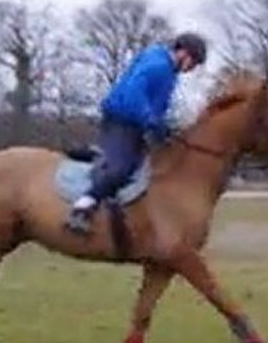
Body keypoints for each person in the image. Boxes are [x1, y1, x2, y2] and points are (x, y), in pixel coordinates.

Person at [64, 32, 207, 235]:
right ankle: (83, 207)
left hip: (136, 124)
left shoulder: (168, 71)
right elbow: (133, 93)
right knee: (121, 169)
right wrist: (150, 120)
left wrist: (162, 127)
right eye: (193, 61)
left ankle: (102, 157)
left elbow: (156, 105)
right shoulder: (159, 66)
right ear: (182, 52)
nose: (192, 68)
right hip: (121, 121)